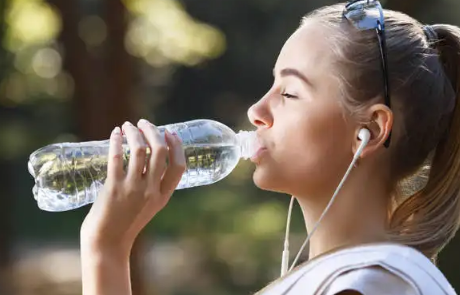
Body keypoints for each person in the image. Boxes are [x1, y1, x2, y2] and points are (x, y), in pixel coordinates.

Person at [79, 1, 460, 294]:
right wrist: (106, 245)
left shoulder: (367, 283)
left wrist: (107, 250)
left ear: (371, 130)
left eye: (290, 93)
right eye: (271, 86)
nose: (256, 111)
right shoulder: (351, 275)